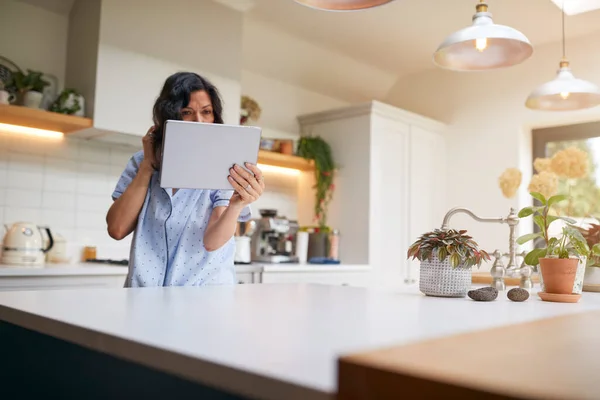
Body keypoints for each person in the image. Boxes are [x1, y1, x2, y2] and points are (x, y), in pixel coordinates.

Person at [106, 72, 264, 287]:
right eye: (187, 112)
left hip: (203, 300)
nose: (199, 121)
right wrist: (147, 168)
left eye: (206, 112)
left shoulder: (226, 166)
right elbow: (116, 229)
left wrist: (237, 204)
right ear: (169, 116)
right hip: (144, 296)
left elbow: (212, 242)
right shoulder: (140, 162)